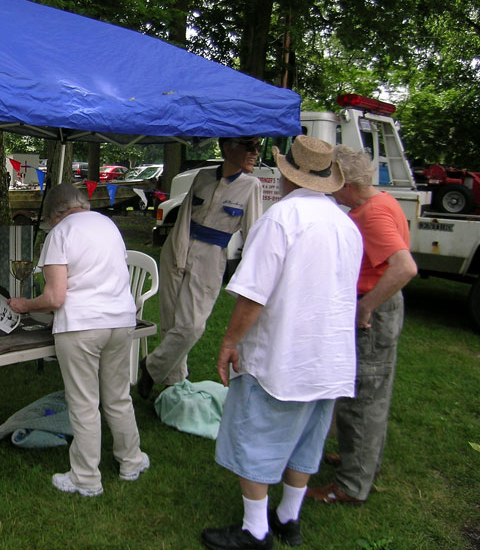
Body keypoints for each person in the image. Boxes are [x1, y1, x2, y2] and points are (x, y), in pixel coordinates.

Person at [201, 136, 363, 550]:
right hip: (329, 355)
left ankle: (256, 530)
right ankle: (289, 517)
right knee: (308, 436)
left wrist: (229, 341)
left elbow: (254, 293)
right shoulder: (346, 224)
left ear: (287, 174)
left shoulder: (280, 219)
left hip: (283, 354)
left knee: (257, 434)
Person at [8, 182, 149, 497]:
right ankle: (131, 461)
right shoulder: (108, 225)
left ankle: (85, 478)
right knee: (117, 397)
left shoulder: (59, 234)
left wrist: (25, 305)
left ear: (55, 214)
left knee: (84, 405)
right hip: (121, 321)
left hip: (82, 327)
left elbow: (55, 298)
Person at [306, 145, 417, 506]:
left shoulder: (372, 214)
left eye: (334, 183)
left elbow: (404, 267)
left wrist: (366, 306)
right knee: (372, 394)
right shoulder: (384, 201)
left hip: (375, 311)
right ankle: (366, 463)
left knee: (361, 400)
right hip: (381, 307)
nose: (332, 191)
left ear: (349, 184)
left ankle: (351, 486)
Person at [137, 136, 263, 400]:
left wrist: (251, 276)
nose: (255, 153)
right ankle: (175, 382)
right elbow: (183, 217)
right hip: (178, 248)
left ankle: (150, 368)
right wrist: (177, 254)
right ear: (229, 147)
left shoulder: (251, 186)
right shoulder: (203, 177)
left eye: (257, 148)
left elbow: (253, 232)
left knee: (192, 326)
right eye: (249, 147)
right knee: (171, 323)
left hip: (211, 256)